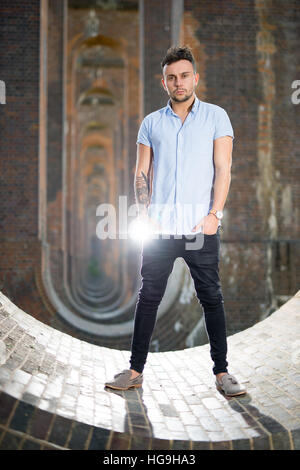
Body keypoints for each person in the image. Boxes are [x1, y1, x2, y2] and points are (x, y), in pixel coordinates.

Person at [105, 45, 246, 397]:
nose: (178, 82)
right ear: (163, 82)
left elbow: (223, 169)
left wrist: (216, 214)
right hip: (161, 230)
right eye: (172, 77)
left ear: (195, 78)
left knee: (211, 298)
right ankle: (135, 370)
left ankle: (223, 373)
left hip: (201, 227)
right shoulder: (151, 123)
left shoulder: (216, 117)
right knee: (148, 298)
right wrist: (143, 213)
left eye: (184, 76)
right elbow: (142, 172)